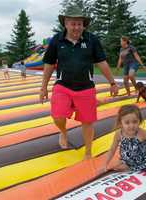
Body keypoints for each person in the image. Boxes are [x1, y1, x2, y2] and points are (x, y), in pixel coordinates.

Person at [39, 6, 119, 159]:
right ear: (66, 24)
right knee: (58, 116)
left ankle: (88, 152)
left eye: (79, 24)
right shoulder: (57, 40)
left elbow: (101, 62)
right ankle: (63, 132)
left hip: (86, 88)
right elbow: (49, 64)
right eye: (73, 23)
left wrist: (112, 83)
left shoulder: (91, 39)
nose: (76, 27)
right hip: (63, 86)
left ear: (83, 25)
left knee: (87, 122)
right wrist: (43, 88)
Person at [104, 104, 146, 171]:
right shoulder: (119, 134)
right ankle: (126, 165)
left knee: (121, 167)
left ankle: (129, 167)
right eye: (127, 123)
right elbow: (112, 150)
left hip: (140, 162)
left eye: (135, 122)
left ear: (139, 121)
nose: (131, 126)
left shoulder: (141, 133)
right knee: (114, 167)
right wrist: (105, 164)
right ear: (121, 123)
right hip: (125, 160)